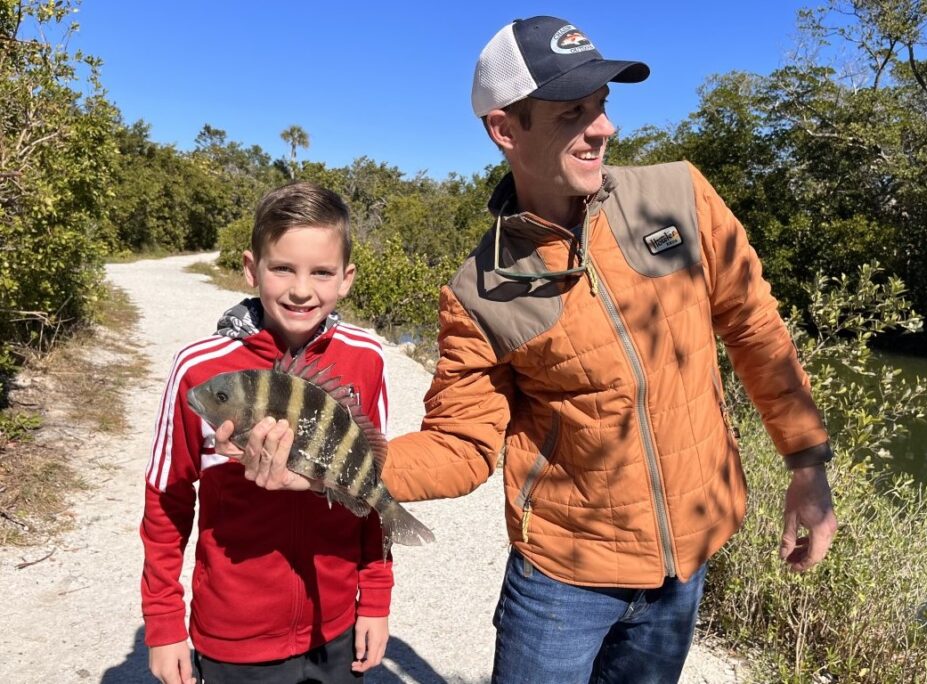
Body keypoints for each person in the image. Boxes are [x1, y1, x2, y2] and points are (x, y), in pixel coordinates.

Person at [228, 16, 838, 684]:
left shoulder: (679, 197)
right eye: (573, 112)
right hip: (560, 585)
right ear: (504, 130)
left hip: (686, 568)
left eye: (602, 107)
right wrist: (324, 467)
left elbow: (757, 333)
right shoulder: (479, 290)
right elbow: (461, 448)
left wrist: (807, 463)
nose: (602, 128)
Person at [141, 182, 393, 684]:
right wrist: (165, 624)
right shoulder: (200, 371)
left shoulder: (367, 358)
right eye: (283, 268)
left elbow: (369, 485)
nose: (302, 289)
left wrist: (377, 598)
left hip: (335, 621)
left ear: (346, 279)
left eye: (321, 272)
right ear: (252, 269)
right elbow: (166, 498)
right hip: (233, 633)